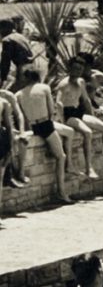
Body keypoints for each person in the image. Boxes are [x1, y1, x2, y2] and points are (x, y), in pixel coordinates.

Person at [18, 67, 76, 202]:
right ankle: (62, 191)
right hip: (46, 124)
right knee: (61, 156)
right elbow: (51, 110)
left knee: (68, 132)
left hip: (32, 126)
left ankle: (66, 163)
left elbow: (22, 116)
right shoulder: (44, 88)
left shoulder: (18, 94)